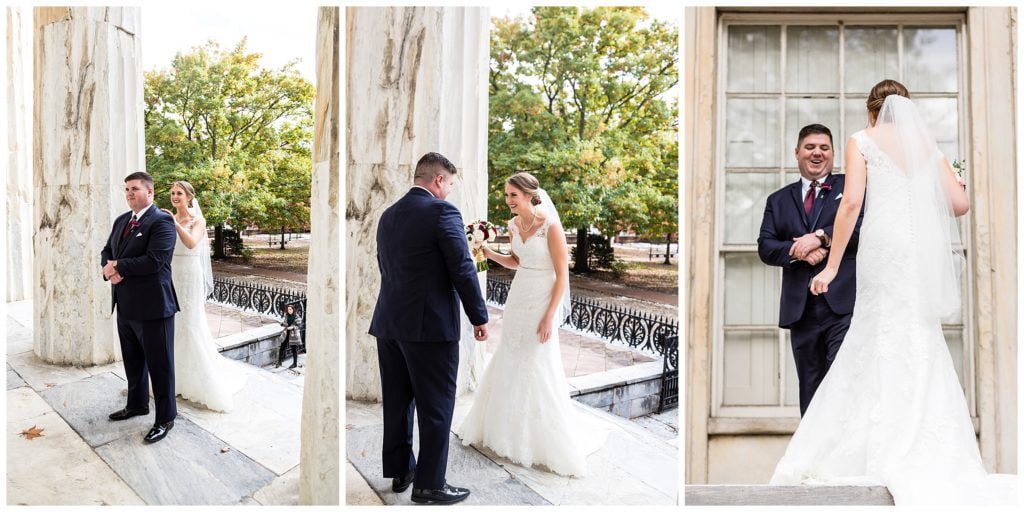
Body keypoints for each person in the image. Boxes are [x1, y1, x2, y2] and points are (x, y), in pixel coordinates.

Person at [770, 80, 1017, 505]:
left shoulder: (862, 140)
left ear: (872, 112)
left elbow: (850, 205)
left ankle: (872, 443)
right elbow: (959, 204)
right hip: (916, 250)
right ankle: (923, 442)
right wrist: (947, 178)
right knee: (918, 334)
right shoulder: (925, 146)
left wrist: (831, 266)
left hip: (884, 247)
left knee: (876, 331)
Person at [455, 172, 607, 477]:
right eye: (507, 195)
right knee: (509, 356)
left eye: (513, 195)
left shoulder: (550, 226)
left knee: (535, 361)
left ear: (529, 195)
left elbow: (563, 275)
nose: (508, 200)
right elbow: (517, 261)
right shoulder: (513, 225)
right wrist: (487, 252)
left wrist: (550, 316)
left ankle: (537, 438)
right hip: (519, 297)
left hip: (542, 299)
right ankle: (501, 430)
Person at [369, 152, 489, 505]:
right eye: (450, 184)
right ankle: (430, 485)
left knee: (397, 401)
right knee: (436, 407)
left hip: (389, 323)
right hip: (430, 328)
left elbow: (385, 266)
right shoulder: (442, 212)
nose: (450, 191)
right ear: (438, 180)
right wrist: (479, 317)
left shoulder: (388, 216)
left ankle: (401, 471)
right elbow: (462, 269)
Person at [757, 124, 863, 416]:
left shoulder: (850, 187)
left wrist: (822, 237)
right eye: (810, 147)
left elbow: (861, 225)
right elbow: (766, 247)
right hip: (800, 310)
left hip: (844, 305)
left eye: (824, 147)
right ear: (797, 153)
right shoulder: (778, 200)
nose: (817, 153)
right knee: (811, 392)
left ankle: (845, 458)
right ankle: (814, 460)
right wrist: (800, 251)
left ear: (833, 153)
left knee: (843, 385)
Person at [100, 171, 179, 444]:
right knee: (133, 361)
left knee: (160, 365)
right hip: (125, 304)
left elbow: (154, 260)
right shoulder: (122, 220)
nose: (129, 193)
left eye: (134, 188)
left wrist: (118, 267)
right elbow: (106, 251)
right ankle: (137, 405)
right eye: (126, 189)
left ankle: (166, 418)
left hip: (154, 307)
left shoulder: (162, 222)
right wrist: (108, 269)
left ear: (150, 192)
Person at [161, 180, 246, 412]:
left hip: (189, 273)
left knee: (189, 322)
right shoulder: (169, 218)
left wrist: (174, 224)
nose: (175, 196)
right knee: (173, 322)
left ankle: (197, 378)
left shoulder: (197, 221)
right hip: (172, 273)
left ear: (189, 197)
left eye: (179, 193)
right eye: (172, 193)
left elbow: (190, 243)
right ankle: (172, 376)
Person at [276, 304, 302, 369]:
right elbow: (286, 324)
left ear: (293, 309)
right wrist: (283, 324)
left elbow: (299, 326)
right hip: (286, 333)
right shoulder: (287, 316)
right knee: (282, 347)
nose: (289, 311)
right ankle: (279, 362)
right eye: (288, 309)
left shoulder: (297, 317)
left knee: (294, 350)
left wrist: (292, 327)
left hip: (293, 335)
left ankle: (295, 363)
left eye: (290, 309)